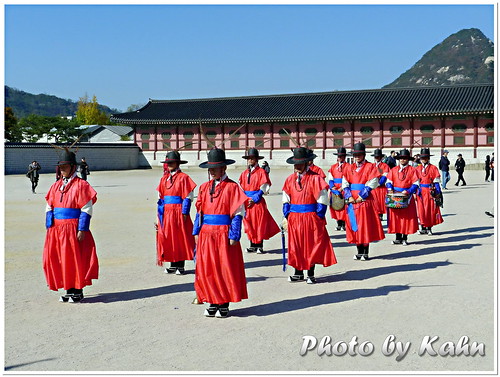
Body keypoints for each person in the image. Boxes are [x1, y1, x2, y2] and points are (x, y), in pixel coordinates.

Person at [192, 148, 248, 318]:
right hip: (206, 234)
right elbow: (199, 212)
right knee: (208, 268)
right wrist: (196, 231)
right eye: (210, 169)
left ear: (224, 168)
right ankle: (211, 300)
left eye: (215, 169)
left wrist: (234, 234)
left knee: (224, 267)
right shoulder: (203, 188)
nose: (212, 172)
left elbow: (239, 212)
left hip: (224, 232)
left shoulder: (232, 187)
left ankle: (224, 302)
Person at [43, 149, 98, 302]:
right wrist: (50, 226)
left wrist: (82, 228)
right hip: (57, 229)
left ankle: (77, 290)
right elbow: (49, 206)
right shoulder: (55, 186)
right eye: (60, 167)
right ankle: (68, 289)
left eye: (65, 167)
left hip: (73, 227)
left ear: (73, 167)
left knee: (75, 259)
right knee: (62, 259)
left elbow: (86, 208)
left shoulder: (81, 185)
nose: (62, 170)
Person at [282, 147, 337, 282]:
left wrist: (318, 216)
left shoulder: (315, 178)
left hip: (310, 216)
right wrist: (286, 215)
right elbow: (286, 198)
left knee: (310, 245)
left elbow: (322, 200)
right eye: (295, 164)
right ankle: (298, 272)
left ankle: (310, 273)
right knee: (296, 245)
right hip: (294, 217)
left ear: (306, 163)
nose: (297, 166)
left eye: (300, 164)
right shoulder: (290, 179)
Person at [155, 151, 196, 275]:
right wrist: (158, 217)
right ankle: (172, 264)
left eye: (172, 162)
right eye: (168, 163)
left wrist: (184, 213)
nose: (169, 165)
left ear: (177, 163)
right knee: (169, 237)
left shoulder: (184, 178)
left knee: (180, 238)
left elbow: (188, 196)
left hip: (178, 211)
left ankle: (180, 265)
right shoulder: (164, 179)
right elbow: (160, 198)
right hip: (166, 212)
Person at [342, 143, 385, 260]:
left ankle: (365, 252)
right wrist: (348, 195)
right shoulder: (349, 167)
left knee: (364, 225)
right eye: (355, 155)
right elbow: (345, 182)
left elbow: (373, 182)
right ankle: (359, 251)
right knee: (354, 225)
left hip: (364, 199)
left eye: (359, 154)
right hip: (352, 200)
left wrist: (363, 195)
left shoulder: (370, 167)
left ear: (364, 155)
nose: (357, 157)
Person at [239, 148, 280, 254]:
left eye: (252, 158)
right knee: (249, 222)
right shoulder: (244, 173)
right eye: (249, 158)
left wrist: (255, 198)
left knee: (259, 223)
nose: (250, 160)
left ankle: (259, 245)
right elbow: (241, 187)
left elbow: (264, 187)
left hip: (257, 202)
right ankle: (252, 245)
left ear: (256, 159)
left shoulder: (261, 172)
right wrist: (243, 198)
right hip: (246, 201)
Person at [386, 149, 420, 246]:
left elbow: (416, 184)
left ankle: (405, 237)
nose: (402, 160)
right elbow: (388, 181)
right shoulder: (394, 170)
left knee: (406, 217)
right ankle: (398, 237)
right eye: (401, 158)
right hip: (395, 195)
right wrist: (390, 188)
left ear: (408, 159)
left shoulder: (413, 170)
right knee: (396, 216)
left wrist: (408, 191)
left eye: (404, 158)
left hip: (406, 195)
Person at [415, 148, 443, 235]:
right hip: (420, 191)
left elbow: (436, 181)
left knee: (429, 210)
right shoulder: (417, 168)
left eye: (425, 157)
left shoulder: (433, 168)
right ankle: (423, 227)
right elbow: (415, 181)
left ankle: (429, 227)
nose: (424, 159)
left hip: (430, 191)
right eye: (422, 158)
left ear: (428, 158)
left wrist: (437, 192)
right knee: (421, 210)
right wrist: (415, 192)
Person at [327, 147, 348, 231]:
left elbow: (348, 179)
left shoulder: (348, 167)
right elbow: (330, 178)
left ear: (344, 157)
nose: (340, 158)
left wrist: (342, 188)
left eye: (341, 156)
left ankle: (344, 224)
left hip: (343, 189)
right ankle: (338, 224)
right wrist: (332, 187)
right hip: (335, 189)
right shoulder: (333, 167)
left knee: (344, 207)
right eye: (339, 156)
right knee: (335, 206)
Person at [370, 149, 390, 221]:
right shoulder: (371, 165)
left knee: (381, 202)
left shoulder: (384, 166)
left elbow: (384, 175)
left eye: (378, 156)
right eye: (376, 157)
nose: (377, 158)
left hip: (381, 187)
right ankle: (375, 215)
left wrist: (378, 183)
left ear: (381, 157)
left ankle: (380, 215)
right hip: (373, 188)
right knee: (374, 202)